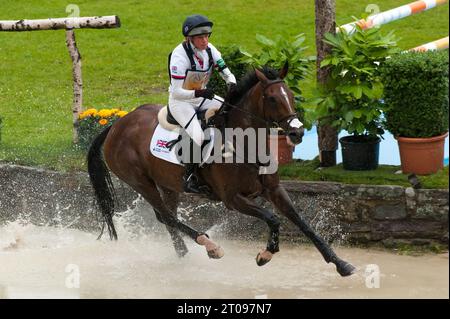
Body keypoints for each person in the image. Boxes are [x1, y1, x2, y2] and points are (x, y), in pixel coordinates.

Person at [168, 14, 236, 194]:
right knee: (198, 137)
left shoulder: (210, 49)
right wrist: (200, 92)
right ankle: (189, 177)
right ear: (189, 39)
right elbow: (176, 92)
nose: (205, 41)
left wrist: (231, 82)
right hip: (181, 102)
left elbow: (225, 71)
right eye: (200, 37)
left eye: (207, 36)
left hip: (201, 96)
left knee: (232, 111)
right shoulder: (179, 57)